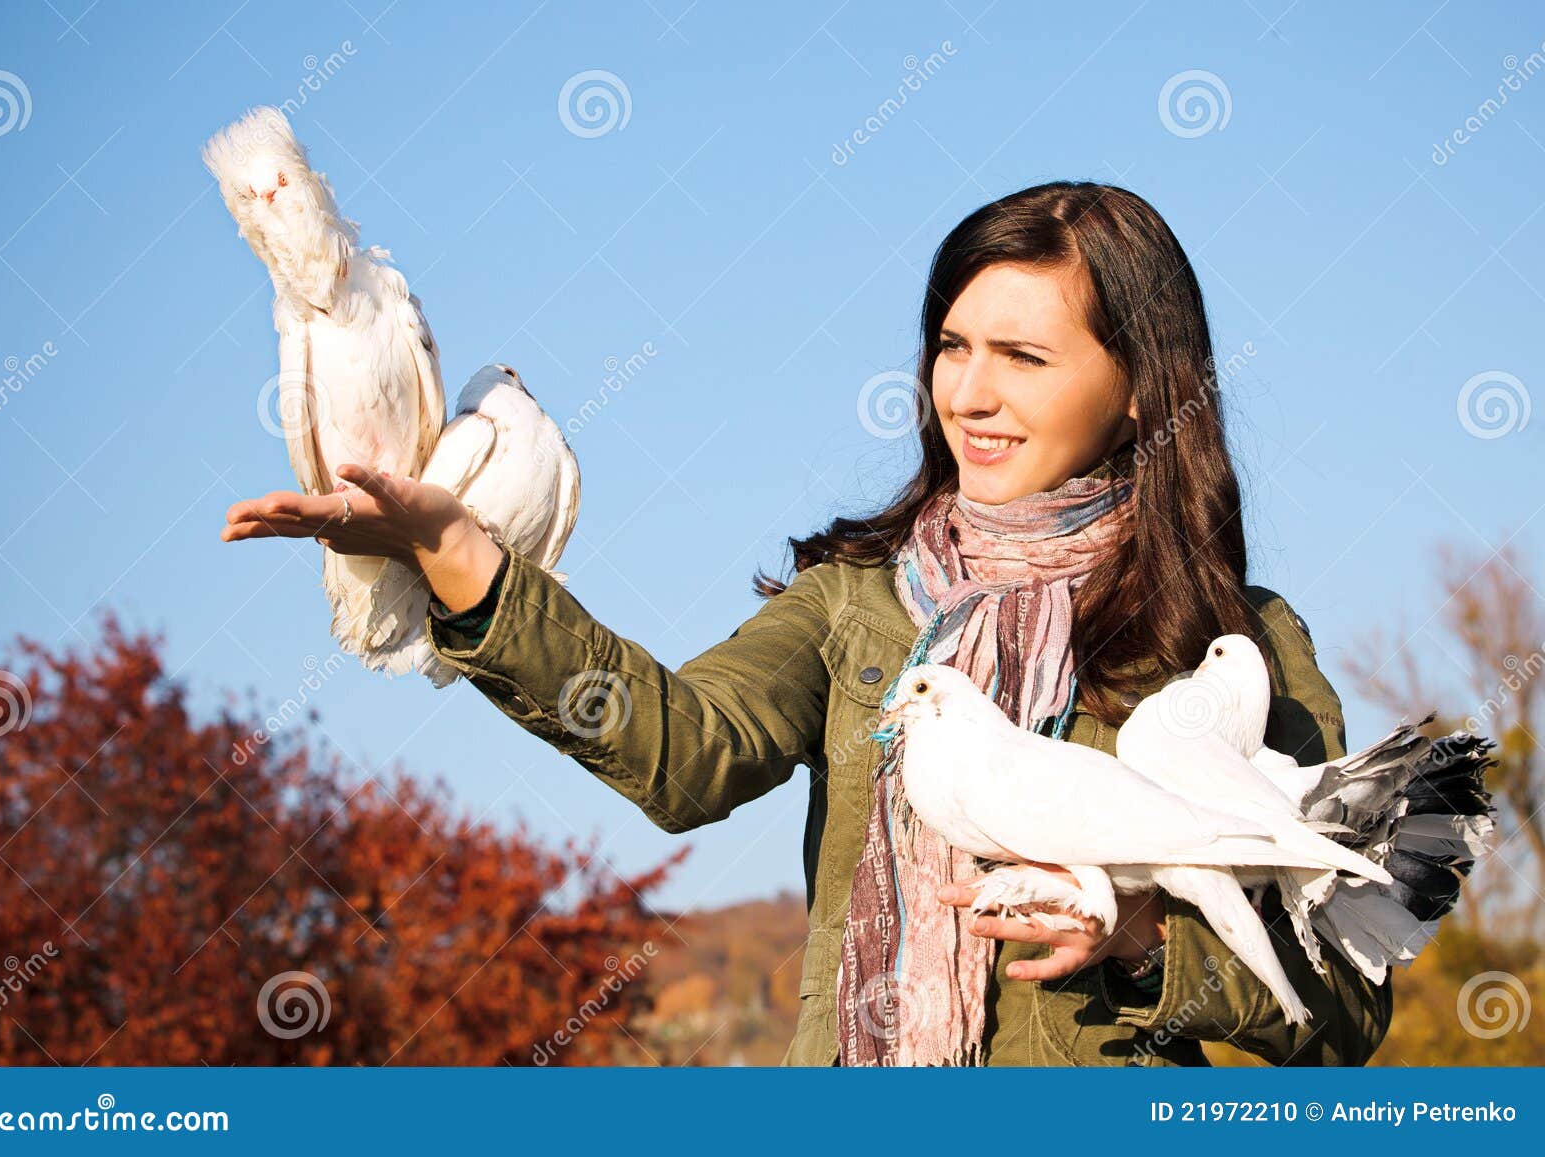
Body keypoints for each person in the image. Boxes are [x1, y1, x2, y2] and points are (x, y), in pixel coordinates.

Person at [221, 180, 1391, 1067]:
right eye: (951, 347)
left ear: (1140, 383)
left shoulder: (1231, 644)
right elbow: (680, 751)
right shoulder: (858, 599)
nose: (968, 394)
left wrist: (1140, 932)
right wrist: (454, 551)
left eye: (1023, 357)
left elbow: (1345, 1004)